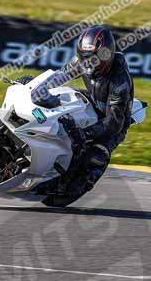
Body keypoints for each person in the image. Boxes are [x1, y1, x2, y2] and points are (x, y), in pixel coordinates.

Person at [17, 25, 136, 200]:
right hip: (92, 101)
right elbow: (59, 77)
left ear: (106, 55)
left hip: (113, 120)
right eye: (84, 57)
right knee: (56, 117)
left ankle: (79, 183)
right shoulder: (82, 62)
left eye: (93, 58)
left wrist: (84, 133)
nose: (88, 63)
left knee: (94, 154)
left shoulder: (120, 82)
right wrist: (34, 86)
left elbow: (113, 123)